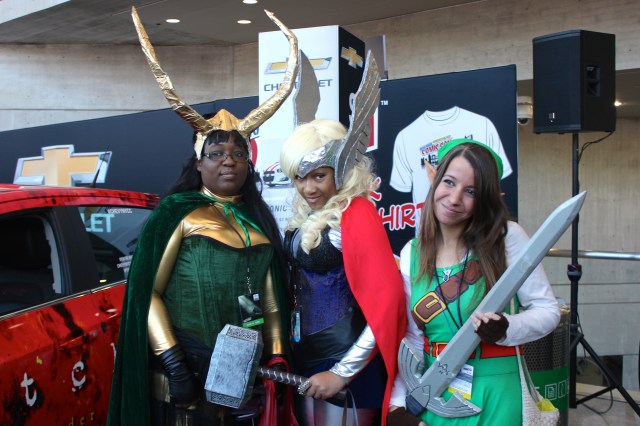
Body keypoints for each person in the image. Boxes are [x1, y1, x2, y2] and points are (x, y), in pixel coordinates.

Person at [108, 7, 300, 426]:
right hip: (184, 373)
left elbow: (271, 297)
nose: (228, 162)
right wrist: (173, 360)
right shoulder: (176, 213)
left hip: (245, 374)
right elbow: (147, 293)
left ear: (249, 164)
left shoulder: (258, 221)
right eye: (216, 154)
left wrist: (279, 350)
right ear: (198, 163)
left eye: (237, 154)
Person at [387, 139, 561, 425]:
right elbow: (413, 339)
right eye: (449, 182)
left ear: (485, 199)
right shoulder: (412, 253)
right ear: (435, 180)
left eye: (471, 191)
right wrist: (398, 405)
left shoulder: (506, 238)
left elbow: (548, 310)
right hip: (435, 392)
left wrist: (507, 327)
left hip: (497, 391)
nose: (455, 198)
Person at [279, 119, 407, 426]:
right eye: (299, 177)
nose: (308, 188)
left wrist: (342, 372)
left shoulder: (357, 213)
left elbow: (387, 305)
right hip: (307, 359)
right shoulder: (311, 213)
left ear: (342, 168)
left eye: (318, 176)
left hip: (347, 365)